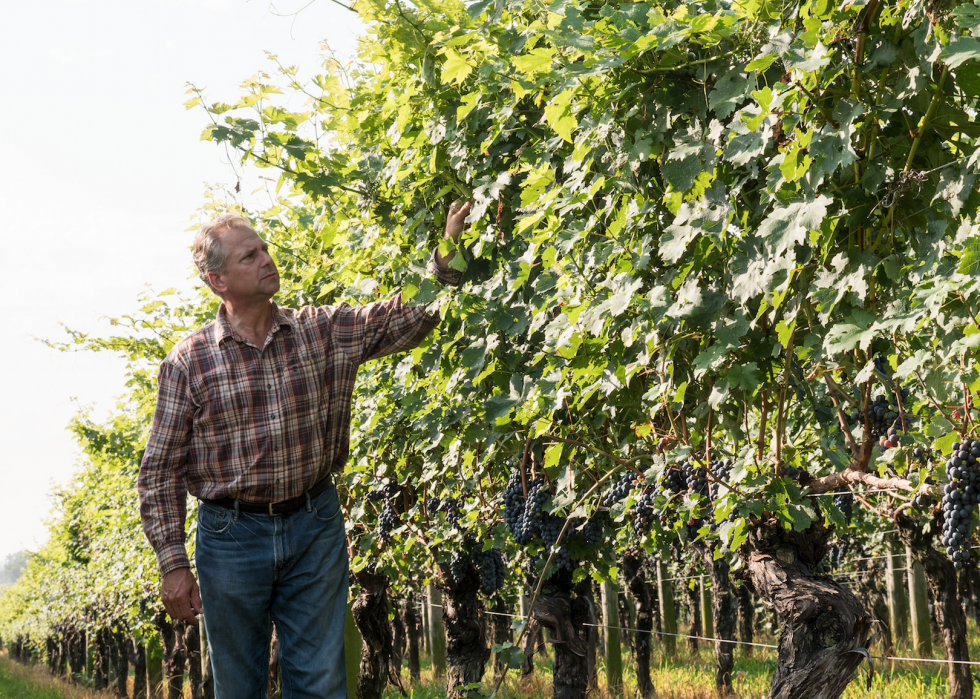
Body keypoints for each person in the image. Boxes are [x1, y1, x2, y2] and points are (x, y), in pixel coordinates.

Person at [137, 202, 470, 698]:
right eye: (249, 256)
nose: (267, 259)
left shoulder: (321, 330)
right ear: (218, 280)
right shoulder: (190, 362)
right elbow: (159, 471)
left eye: (264, 248)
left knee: (320, 681)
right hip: (230, 538)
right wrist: (172, 562)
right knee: (239, 687)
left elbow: (406, 318)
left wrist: (446, 256)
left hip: (314, 524)